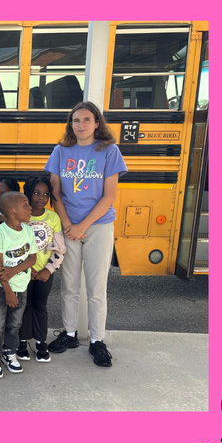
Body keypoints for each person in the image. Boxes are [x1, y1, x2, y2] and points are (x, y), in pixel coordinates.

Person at [45, 102, 127, 367]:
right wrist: (69, 224)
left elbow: (109, 195)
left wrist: (83, 226)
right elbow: (55, 193)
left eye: (86, 120)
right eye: (76, 120)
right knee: (68, 285)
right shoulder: (60, 151)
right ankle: (69, 334)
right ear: (71, 124)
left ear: (97, 123)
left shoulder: (109, 151)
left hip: (99, 226)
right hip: (68, 226)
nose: (81, 125)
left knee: (96, 287)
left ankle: (97, 341)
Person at [0, 190, 37, 379]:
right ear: (12, 210)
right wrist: (8, 291)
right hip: (2, 289)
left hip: (21, 287)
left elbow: (32, 258)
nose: (30, 208)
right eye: (25, 204)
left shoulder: (29, 230)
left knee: (14, 325)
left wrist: (14, 271)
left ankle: (10, 352)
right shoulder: (0, 233)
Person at [16, 174, 65, 363]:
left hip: (44, 273)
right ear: (27, 193)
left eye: (46, 194)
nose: (41, 198)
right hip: (23, 272)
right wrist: (26, 268)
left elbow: (59, 248)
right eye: (36, 193)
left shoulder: (53, 217)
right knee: (23, 307)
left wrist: (49, 269)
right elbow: (15, 246)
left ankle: (41, 343)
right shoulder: (21, 216)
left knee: (40, 306)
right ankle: (22, 342)